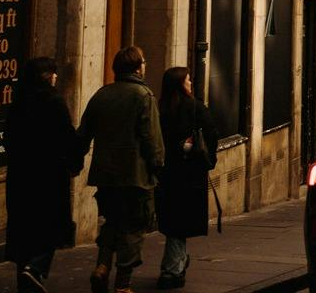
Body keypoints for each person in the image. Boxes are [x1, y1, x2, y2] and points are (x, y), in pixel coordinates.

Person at [75, 45, 165, 293]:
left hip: (105, 175)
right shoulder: (143, 96)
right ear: (137, 67)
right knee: (134, 228)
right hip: (135, 177)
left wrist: (74, 161)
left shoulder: (102, 95)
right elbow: (151, 139)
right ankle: (123, 284)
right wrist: (159, 168)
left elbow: (83, 134)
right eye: (144, 62)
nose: (145, 65)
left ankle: (102, 267)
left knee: (112, 222)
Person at [5, 56, 78, 293]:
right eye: (53, 73)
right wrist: (74, 163)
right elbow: (67, 136)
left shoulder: (18, 102)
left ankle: (24, 280)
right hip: (49, 175)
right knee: (51, 227)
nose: (56, 76)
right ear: (47, 76)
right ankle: (35, 268)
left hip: (21, 175)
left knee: (24, 228)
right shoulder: (54, 101)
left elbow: (8, 138)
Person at [155, 66, 219, 290]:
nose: (191, 84)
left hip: (166, 176)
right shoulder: (194, 107)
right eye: (188, 80)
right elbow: (211, 134)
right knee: (178, 226)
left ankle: (177, 266)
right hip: (190, 175)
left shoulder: (160, 109)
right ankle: (171, 271)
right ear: (181, 84)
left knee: (174, 224)